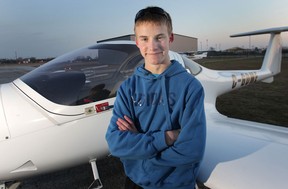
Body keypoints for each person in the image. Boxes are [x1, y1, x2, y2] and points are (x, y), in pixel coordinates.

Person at [105, 6, 206, 189]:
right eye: (144, 39)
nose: (152, 46)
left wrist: (141, 151)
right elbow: (116, 143)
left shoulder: (191, 87)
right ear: (136, 42)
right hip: (135, 182)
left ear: (171, 38)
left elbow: (192, 149)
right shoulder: (128, 89)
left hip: (176, 185)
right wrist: (168, 137)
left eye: (159, 37)